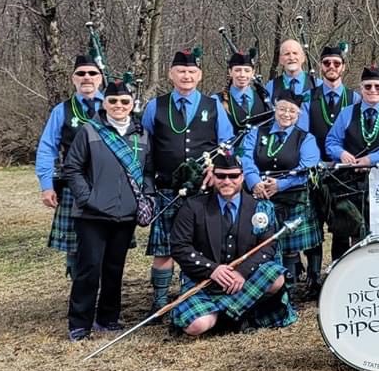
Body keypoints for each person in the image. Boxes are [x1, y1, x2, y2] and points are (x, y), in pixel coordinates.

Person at [141, 49, 235, 317]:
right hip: (166, 188)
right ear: (171, 74)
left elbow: (227, 146)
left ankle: (191, 293)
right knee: (164, 248)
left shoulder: (213, 105)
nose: (186, 76)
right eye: (181, 71)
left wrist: (216, 171)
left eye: (192, 71)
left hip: (201, 190)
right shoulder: (154, 107)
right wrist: (147, 185)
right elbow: (144, 148)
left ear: (199, 75)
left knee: (199, 244)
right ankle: (159, 301)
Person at [62, 80, 153, 341]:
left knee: (114, 268)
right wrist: (87, 197)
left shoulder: (142, 134)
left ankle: (108, 318)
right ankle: (79, 323)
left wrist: (144, 197)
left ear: (132, 104)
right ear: (105, 103)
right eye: (113, 101)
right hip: (92, 214)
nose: (119, 106)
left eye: (124, 102)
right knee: (89, 268)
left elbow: (147, 171)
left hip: (125, 214)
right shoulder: (90, 131)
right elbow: (72, 167)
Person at [169, 155, 296, 336]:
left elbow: (267, 246)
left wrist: (241, 272)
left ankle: (234, 314)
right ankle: (231, 317)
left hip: (242, 280)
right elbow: (179, 247)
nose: (227, 181)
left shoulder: (257, 206)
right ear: (212, 176)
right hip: (204, 281)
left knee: (276, 278)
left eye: (233, 176)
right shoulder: (193, 206)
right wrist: (212, 269)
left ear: (242, 177)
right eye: (221, 176)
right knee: (196, 326)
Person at [241, 90, 323, 298]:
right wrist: (254, 182)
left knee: (290, 245)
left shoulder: (306, 138)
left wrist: (281, 184)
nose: (286, 114)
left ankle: (293, 287)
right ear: (275, 109)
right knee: (266, 242)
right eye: (282, 109)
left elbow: (308, 167)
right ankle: (271, 284)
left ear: (298, 115)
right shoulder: (256, 133)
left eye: (292, 111)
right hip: (260, 196)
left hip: (293, 196)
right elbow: (246, 159)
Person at [325, 63, 379, 256]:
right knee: (343, 230)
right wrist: (341, 153)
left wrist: (371, 159)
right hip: (349, 182)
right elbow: (331, 141)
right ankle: (339, 272)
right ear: (361, 89)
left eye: (377, 86)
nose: (373, 90)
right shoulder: (347, 113)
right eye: (368, 86)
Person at [36, 55, 104, 278]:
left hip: (110, 186)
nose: (87, 77)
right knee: (75, 247)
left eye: (92, 73)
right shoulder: (62, 110)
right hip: (74, 187)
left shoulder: (116, 105)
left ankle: (104, 296)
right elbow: (47, 148)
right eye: (81, 73)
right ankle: (80, 298)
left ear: (101, 78)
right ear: (73, 78)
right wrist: (47, 185)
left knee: (108, 244)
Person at [300, 44, 360, 284]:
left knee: (342, 225)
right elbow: (302, 135)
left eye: (336, 63)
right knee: (314, 225)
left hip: (344, 173)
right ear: (320, 66)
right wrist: (314, 162)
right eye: (327, 63)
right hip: (316, 171)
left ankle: (340, 276)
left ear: (343, 67)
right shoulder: (308, 98)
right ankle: (313, 278)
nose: (331, 67)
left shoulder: (355, 97)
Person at [216, 51, 271, 155]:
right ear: (230, 72)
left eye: (247, 70)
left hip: (259, 158)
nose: (242, 75)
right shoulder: (217, 100)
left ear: (253, 72)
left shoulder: (264, 98)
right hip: (229, 160)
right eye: (237, 70)